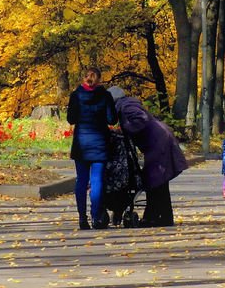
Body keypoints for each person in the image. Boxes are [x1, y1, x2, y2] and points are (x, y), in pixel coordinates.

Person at [110, 85, 189, 227]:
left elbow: (141, 119)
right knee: (158, 182)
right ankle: (163, 217)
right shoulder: (127, 104)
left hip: (157, 142)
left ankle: (154, 218)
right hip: (159, 139)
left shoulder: (125, 106)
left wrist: (125, 130)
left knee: (155, 181)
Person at [67, 68, 118, 230]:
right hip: (100, 145)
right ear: (99, 80)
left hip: (81, 144)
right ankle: (96, 217)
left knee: (81, 181)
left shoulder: (76, 96)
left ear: (84, 78)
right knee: (97, 182)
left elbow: (71, 119)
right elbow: (112, 119)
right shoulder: (105, 96)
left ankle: (82, 218)